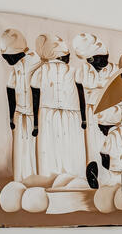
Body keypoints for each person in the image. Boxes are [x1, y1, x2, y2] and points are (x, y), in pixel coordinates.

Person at [30, 33, 86, 178]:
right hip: (71, 114)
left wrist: (35, 122)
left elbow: (35, 98)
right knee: (70, 147)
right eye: (67, 54)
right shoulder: (73, 71)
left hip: (47, 114)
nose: (69, 57)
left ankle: (50, 178)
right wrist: (84, 117)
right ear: (61, 56)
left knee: (50, 147)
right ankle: (73, 177)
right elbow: (81, 95)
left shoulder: (40, 72)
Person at [74, 33, 115, 184]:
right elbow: (81, 95)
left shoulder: (114, 70)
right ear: (90, 59)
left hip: (110, 110)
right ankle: (94, 176)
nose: (105, 60)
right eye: (101, 58)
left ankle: (110, 179)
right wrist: (84, 117)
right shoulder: (82, 71)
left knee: (109, 146)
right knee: (93, 146)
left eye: (106, 56)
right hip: (91, 111)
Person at [0, 28, 38, 182]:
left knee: (33, 149)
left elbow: (38, 91)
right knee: (21, 149)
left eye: (8, 57)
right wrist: (10, 116)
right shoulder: (16, 66)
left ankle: (33, 180)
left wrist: (37, 121)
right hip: (20, 113)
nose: (7, 61)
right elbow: (10, 88)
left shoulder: (35, 62)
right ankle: (21, 180)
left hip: (34, 114)